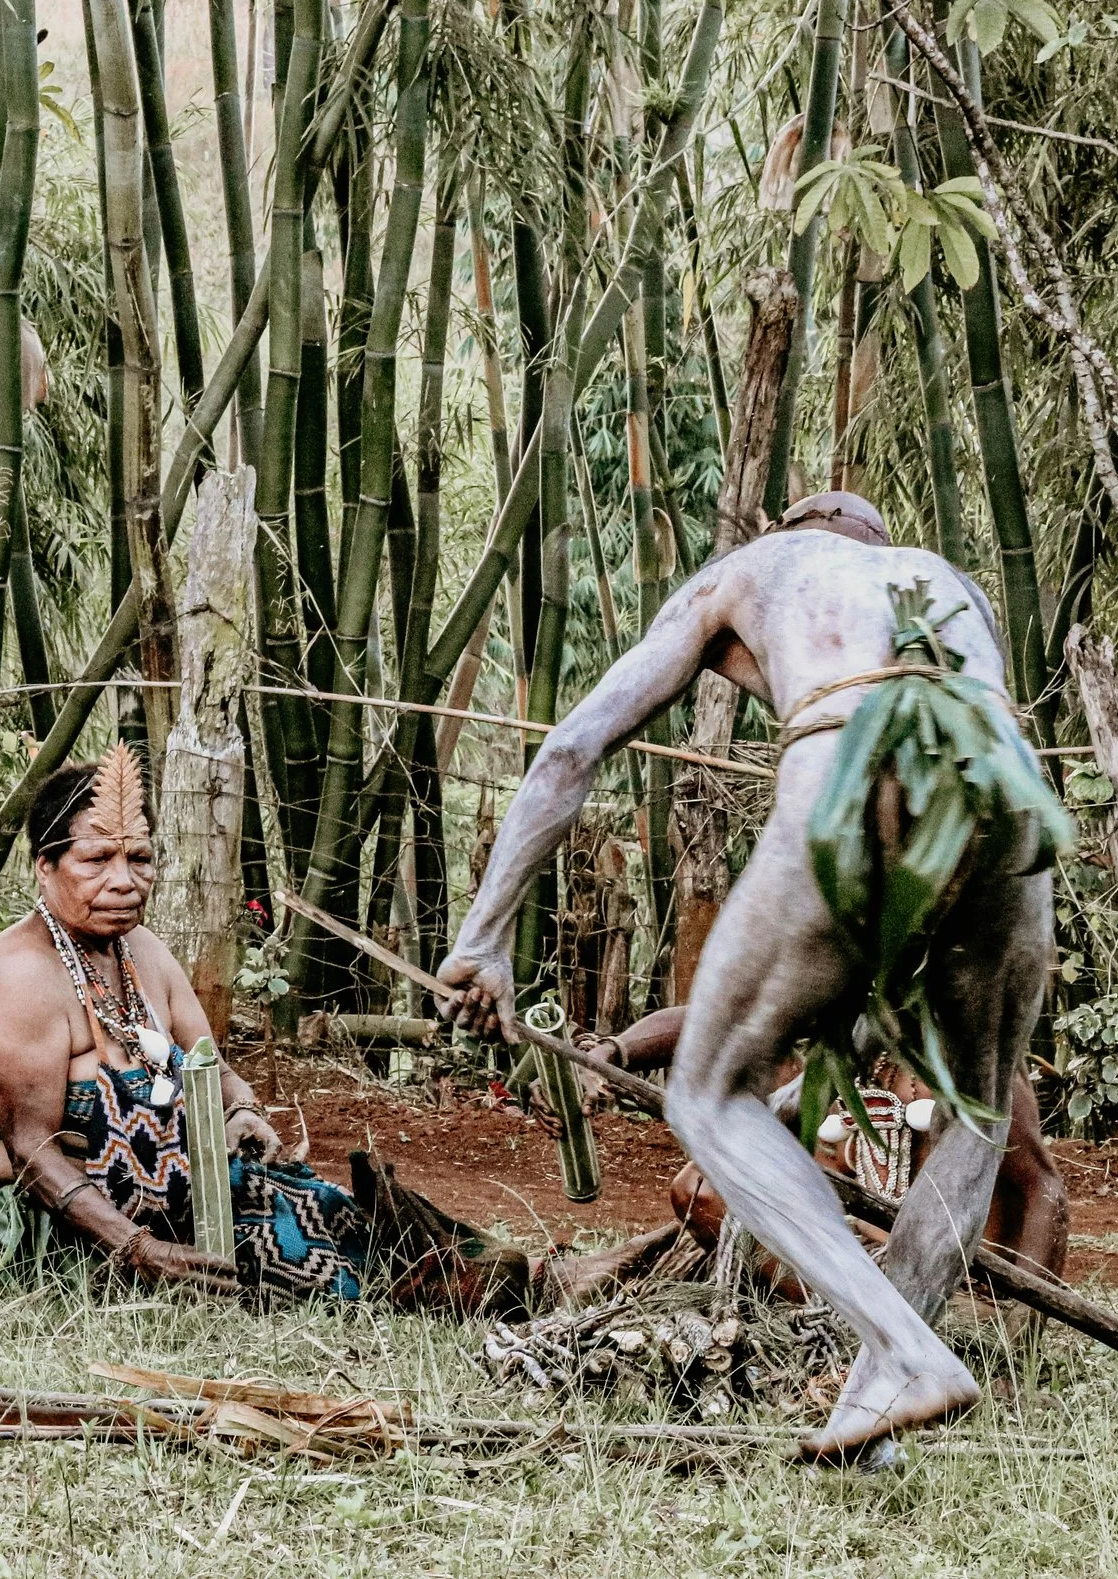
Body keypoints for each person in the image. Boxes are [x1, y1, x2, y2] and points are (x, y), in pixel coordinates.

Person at [438, 491, 1070, 1458]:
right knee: (978, 1111)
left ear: (794, 525)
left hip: (853, 756)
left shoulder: (751, 571)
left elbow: (571, 749)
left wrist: (484, 936)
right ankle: (878, 1409)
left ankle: (906, 1350)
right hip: (1009, 783)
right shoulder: (953, 586)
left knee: (705, 1094)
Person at [0, 744, 542, 1309]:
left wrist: (240, 1110)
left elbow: (212, 1068)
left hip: (182, 1196)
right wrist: (138, 1250)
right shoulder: (21, 976)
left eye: (139, 858)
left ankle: (526, 1280)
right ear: (45, 867)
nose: (123, 880)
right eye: (96, 859)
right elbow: (33, 1154)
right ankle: (436, 1292)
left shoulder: (141, 952)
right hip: (71, 1229)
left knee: (330, 1209)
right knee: (300, 1260)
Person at [579, 1004, 1069, 1295]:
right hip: (853, 1267)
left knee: (710, 1190)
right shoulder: (841, 1042)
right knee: (702, 1191)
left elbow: (1041, 1185)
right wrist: (610, 1054)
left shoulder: (976, 1057)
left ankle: (869, 1329)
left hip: (951, 1286)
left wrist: (1019, 1337)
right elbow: (725, 1017)